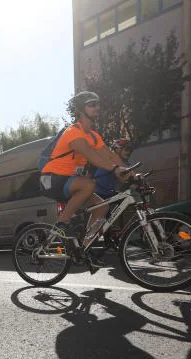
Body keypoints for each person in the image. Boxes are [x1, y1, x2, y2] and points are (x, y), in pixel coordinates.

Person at [39, 91, 132, 264]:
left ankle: (84, 248)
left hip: (68, 180)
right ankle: (62, 222)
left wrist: (131, 173)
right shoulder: (72, 132)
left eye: (97, 104)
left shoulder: (94, 136)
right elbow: (91, 156)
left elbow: (110, 155)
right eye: (91, 104)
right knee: (88, 184)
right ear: (81, 110)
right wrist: (115, 169)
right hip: (52, 178)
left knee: (101, 208)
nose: (97, 108)